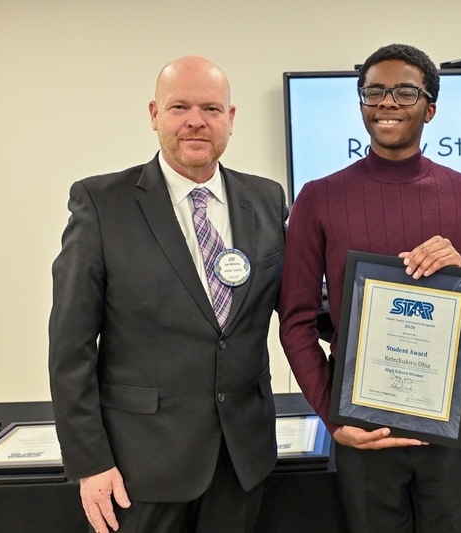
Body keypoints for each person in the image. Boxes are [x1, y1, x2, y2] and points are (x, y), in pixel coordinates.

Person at [48, 56, 287, 533]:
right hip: (140, 467)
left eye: (211, 109)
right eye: (180, 106)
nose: (196, 120)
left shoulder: (265, 198)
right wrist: (89, 462)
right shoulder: (102, 203)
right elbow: (70, 348)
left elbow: (299, 304)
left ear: (231, 119)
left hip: (241, 460)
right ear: (155, 114)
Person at [278, 43, 461, 532]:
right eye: (374, 91)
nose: (387, 103)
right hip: (362, 424)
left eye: (405, 91)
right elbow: (295, 320)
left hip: (452, 421)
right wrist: (334, 421)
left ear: (431, 107)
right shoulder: (318, 197)